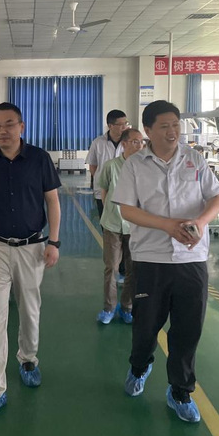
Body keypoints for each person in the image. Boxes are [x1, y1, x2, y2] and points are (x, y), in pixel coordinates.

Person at [113, 100, 219, 424]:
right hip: (151, 258)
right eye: (164, 126)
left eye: (176, 124)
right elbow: (126, 209)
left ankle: (180, 391)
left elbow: (216, 197)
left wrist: (200, 222)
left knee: (188, 330)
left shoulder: (194, 159)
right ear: (148, 130)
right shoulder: (135, 165)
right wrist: (167, 226)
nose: (172, 131)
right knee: (146, 327)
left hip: (192, 259)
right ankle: (139, 366)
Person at [0, 102, 61, 419]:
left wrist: (54, 242)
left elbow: (52, 200)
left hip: (31, 247)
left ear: (22, 127)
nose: (2, 130)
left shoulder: (39, 159)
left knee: (29, 310)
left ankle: (28, 358)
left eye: (9, 124)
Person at [95, 128, 145, 325]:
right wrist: (110, 212)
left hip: (135, 227)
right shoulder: (111, 166)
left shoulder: (145, 168)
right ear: (124, 144)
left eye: (141, 142)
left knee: (133, 269)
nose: (140, 145)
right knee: (112, 268)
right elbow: (104, 191)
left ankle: (127, 307)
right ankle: (108, 308)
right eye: (135, 141)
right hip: (113, 224)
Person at [86, 110, 129, 218]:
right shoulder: (97, 143)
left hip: (124, 189)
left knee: (124, 222)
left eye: (126, 123)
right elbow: (93, 166)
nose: (124, 127)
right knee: (105, 221)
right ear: (110, 126)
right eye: (121, 124)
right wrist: (102, 181)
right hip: (102, 191)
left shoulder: (129, 143)